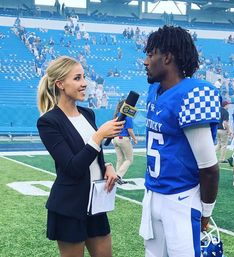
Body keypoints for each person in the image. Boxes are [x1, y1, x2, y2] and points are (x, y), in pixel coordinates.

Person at [139, 26, 220, 257]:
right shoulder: (155, 90)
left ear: (167, 58)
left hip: (181, 198)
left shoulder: (193, 94)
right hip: (153, 193)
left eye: (151, 54)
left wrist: (206, 211)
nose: (146, 61)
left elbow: (209, 168)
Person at [37, 56, 125, 257]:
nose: (84, 83)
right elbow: (73, 167)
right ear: (60, 84)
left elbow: (93, 156)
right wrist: (99, 136)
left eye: (84, 77)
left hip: (96, 204)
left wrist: (108, 166)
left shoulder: (88, 114)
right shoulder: (48, 122)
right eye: (77, 78)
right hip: (69, 208)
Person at [112, 100, 138, 184]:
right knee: (129, 160)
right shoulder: (127, 116)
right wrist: (134, 139)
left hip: (116, 138)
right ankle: (118, 176)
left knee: (120, 159)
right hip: (123, 138)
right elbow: (129, 130)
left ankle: (116, 178)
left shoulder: (117, 115)